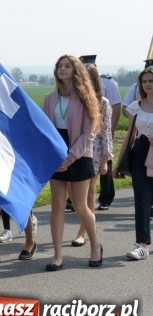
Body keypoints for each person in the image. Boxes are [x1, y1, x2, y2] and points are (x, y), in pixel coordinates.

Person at [42, 55, 102, 271]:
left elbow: (89, 135)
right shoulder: (50, 98)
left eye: (67, 66)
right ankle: (58, 256)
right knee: (57, 205)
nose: (62, 69)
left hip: (79, 154)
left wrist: (70, 158)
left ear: (76, 71)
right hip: (56, 155)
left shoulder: (87, 98)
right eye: (59, 65)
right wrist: (53, 156)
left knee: (80, 206)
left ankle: (95, 246)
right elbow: (45, 130)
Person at [71, 64, 111, 246]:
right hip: (75, 149)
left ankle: (84, 231)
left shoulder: (103, 102)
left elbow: (106, 133)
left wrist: (105, 160)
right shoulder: (74, 99)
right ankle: (87, 226)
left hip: (93, 152)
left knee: (89, 193)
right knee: (73, 196)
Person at [115, 66, 153, 261]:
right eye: (145, 81)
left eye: (151, 81)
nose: (147, 84)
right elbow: (130, 136)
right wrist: (119, 163)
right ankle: (142, 245)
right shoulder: (135, 107)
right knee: (142, 201)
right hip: (140, 153)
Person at [79, 55, 120, 210]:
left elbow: (116, 109)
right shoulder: (73, 98)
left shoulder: (107, 87)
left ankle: (105, 199)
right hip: (77, 148)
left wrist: (105, 156)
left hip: (95, 147)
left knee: (91, 190)